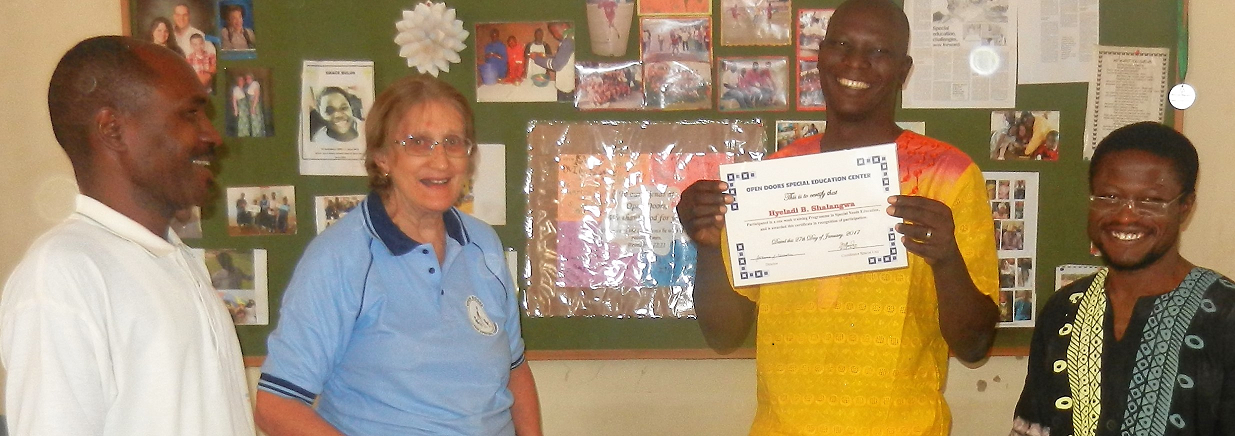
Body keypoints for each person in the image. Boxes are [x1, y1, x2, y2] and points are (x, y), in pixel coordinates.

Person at [674, 0, 999, 433]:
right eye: (841, 45)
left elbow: (975, 345)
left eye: (878, 51)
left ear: (903, 70)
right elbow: (723, 335)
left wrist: (947, 259)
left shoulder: (948, 175)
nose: (855, 62)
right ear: (821, 56)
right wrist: (708, 248)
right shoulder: (773, 181)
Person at [255, 74, 543, 436]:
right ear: (382, 158)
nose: (441, 162)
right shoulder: (340, 258)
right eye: (418, 143)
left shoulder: (483, 245)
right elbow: (275, 406)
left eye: (453, 142)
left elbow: (515, 369)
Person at [0, 35, 253, 435]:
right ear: (114, 130)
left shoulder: (177, 261)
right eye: (190, 114)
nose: (212, 136)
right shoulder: (63, 277)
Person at [1011, 122, 1235, 436]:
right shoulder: (1063, 309)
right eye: (1109, 196)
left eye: (1151, 201)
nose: (1126, 215)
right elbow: (1032, 424)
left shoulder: (1226, 315)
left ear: (1185, 207)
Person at [531, 22, 576, 101]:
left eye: (554, 31)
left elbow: (556, 65)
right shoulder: (571, 38)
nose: (554, 35)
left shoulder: (568, 41)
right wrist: (544, 55)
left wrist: (536, 58)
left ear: (564, 26)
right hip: (567, 88)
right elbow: (560, 58)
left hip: (566, 91)